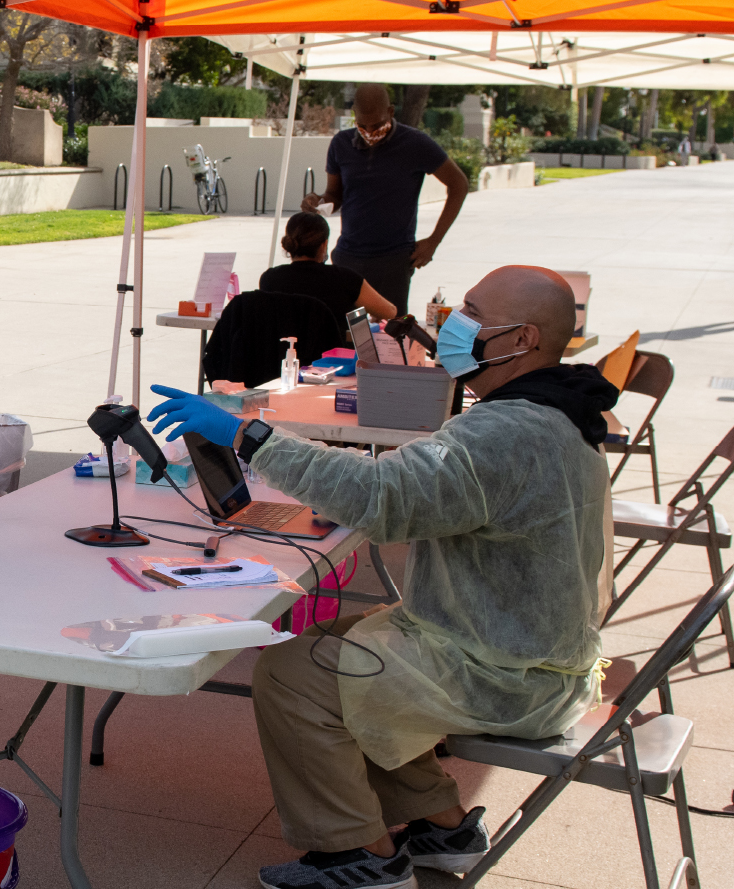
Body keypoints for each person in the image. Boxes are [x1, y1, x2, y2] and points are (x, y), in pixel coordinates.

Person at [147, 266, 618, 889]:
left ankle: (358, 857)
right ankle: (442, 826)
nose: (453, 325)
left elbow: (383, 500)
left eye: (472, 314)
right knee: (329, 643)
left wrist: (247, 435)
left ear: (522, 339)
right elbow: (422, 483)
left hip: (509, 675)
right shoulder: (551, 410)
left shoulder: (509, 430)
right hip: (520, 647)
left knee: (292, 674)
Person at [301, 84, 470, 315]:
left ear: (390, 112)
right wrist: (317, 201)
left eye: (377, 125)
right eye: (363, 125)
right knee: (345, 334)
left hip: (393, 260)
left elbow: (459, 184)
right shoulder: (341, 144)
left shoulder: (416, 143)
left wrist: (434, 241)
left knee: (390, 338)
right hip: (348, 256)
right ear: (354, 115)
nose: (370, 131)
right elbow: (334, 195)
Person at [259, 211, 396, 331]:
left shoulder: (269, 279)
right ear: (324, 245)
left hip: (284, 356)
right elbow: (390, 312)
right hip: (334, 358)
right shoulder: (345, 278)